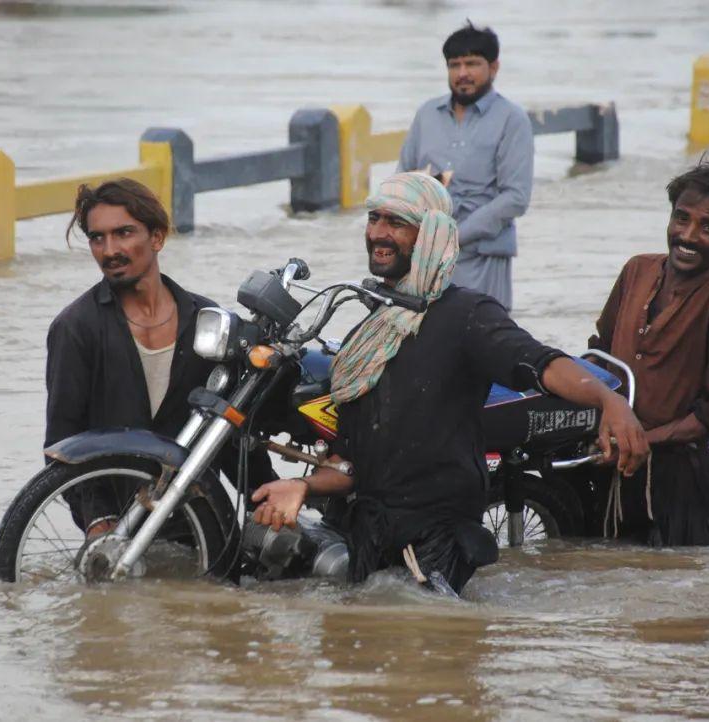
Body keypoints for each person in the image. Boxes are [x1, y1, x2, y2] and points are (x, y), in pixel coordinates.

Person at [250, 172, 647, 593]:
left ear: (431, 236)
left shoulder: (467, 316)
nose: (379, 234)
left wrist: (609, 401)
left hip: (434, 542)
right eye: (374, 218)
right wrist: (300, 486)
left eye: (397, 223)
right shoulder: (371, 334)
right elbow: (350, 467)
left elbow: (542, 363)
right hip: (369, 535)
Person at [45, 178, 271, 537]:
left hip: (197, 525)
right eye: (97, 238)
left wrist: (266, 497)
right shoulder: (75, 329)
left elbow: (230, 431)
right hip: (119, 529)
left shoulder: (206, 322)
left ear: (157, 238)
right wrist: (96, 519)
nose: (109, 250)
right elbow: (62, 442)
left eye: (123, 233)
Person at [589, 159, 709, 546]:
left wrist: (646, 438)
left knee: (679, 594)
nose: (689, 235)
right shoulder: (637, 271)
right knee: (602, 578)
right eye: (681, 219)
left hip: (677, 480)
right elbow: (600, 351)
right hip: (608, 460)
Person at [396, 21, 533, 311]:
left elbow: (515, 198)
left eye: (472, 63)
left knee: (481, 339)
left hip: (482, 258)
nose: (462, 74)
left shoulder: (512, 119)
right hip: (425, 258)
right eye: (454, 64)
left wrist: (455, 237)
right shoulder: (427, 115)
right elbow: (403, 184)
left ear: (493, 67)